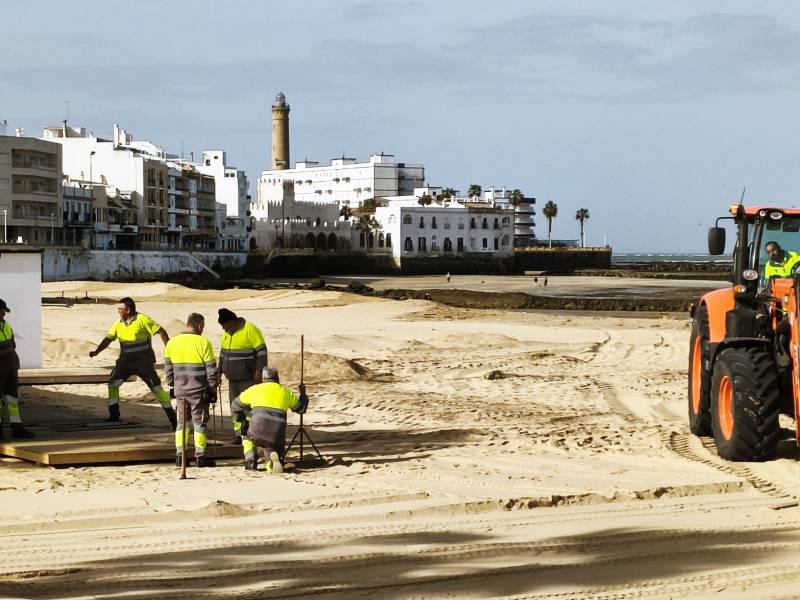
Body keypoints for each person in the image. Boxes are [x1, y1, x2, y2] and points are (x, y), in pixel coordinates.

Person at [89, 297, 176, 428]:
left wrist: (169, 350)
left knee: (157, 389)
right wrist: (96, 352)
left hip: (143, 363)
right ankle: (114, 415)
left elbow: (161, 331)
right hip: (125, 363)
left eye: (120, 309)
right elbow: (108, 339)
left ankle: (173, 419)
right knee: (113, 384)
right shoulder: (118, 323)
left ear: (128, 310)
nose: (118, 311)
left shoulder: (142, 320)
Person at [164, 313, 218, 468]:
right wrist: (212, 386)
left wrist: (173, 384)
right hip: (199, 391)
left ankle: (180, 455)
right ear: (199, 325)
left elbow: (168, 369)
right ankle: (200, 456)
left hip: (180, 391)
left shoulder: (172, 343)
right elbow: (211, 368)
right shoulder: (203, 342)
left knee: (182, 423)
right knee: (199, 423)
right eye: (203, 326)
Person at [231, 367, 308, 473]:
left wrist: (241, 420)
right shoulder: (286, 392)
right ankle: (271, 462)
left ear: (263, 378)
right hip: (276, 435)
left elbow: (235, 405)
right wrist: (303, 395)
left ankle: (251, 461)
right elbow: (301, 409)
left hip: (256, 431)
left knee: (246, 437)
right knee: (271, 447)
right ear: (277, 378)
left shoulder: (254, 389)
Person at [217, 308, 267, 443]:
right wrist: (219, 372)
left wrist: (259, 370)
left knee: (249, 408)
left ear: (232, 322)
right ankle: (239, 435)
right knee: (235, 408)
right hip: (232, 380)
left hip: (248, 378)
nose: (224, 329)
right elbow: (222, 355)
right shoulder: (226, 333)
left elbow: (262, 351)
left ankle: (252, 434)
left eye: (225, 326)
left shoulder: (250, 329)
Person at [0, 299, 34, 439]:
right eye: (2, 311)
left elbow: (12, 344)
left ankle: (17, 428)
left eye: (4, 312)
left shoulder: (6, 325)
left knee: (12, 400)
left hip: (11, 368)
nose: (4, 314)